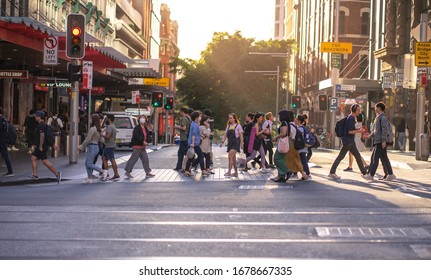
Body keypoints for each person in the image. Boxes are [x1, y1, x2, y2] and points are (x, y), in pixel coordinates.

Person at [328, 104, 368, 180]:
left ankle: (364, 173)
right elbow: (349, 131)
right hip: (349, 142)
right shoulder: (351, 118)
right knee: (354, 157)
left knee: (356, 157)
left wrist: (357, 129)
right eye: (358, 110)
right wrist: (359, 131)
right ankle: (332, 172)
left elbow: (350, 129)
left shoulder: (351, 117)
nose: (359, 112)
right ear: (354, 110)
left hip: (349, 141)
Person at [363, 102, 396, 181]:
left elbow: (385, 130)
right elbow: (376, 131)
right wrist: (369, 136)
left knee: (375, 158)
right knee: (384, 158)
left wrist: (384, 141)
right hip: (378, 141)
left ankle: (371, 175)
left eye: (375, 107)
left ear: (379, 108)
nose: (374, 109)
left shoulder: (383, 118)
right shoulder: (378, 117)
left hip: (380, 141)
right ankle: (390, 174)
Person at [29, 110, 62, 183]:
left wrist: (40, 146)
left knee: (45, 161)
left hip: (42, 146)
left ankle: (57, 174)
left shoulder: (41, 125)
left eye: (36, 116)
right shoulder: (44, 124)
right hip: (42, 146)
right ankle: (35, 175)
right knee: (33, 157)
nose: (35, 117)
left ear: (39, 117)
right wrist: (53, 145)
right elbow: (48, 136)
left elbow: (42, 135)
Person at [78, 114, 108, 183]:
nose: (90, 120)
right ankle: (90, 177)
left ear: (93, 120)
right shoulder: (98, 129)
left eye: (91, 118)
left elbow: (88, 139)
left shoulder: (92, 129)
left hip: (92, 147)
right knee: (87, 163)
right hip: (96, 147)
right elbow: (101, 139)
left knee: (88, 163)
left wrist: (81, 146)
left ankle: (103, 171)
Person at [220, 113, 244, 177]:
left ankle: (229, 172)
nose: (229, 119)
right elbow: (225, 135)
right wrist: (222, 142)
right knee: (233, 158)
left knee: (230, 156)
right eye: (229, 118)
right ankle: (236, 173)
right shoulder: (228, 126)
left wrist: (242, 144)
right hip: (230, 143)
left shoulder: (238, 126)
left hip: (236, 143)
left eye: (231, 118)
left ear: (234, 118)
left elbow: (241, 136)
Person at [185, 111, 207, 177]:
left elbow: (195, 133)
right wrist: (193, 143)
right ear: (196, 117)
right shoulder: (195, 125)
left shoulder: (193, 123)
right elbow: (193, 135)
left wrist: (201, 135)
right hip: (194, 144)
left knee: (191, 157)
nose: (201, 117)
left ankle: (187, 170)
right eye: (200, 116)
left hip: (193, 143)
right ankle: (203, 170)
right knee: (201, 156)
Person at [286, 112, 307, 180]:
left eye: (296, 119)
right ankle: (298, 173)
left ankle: (306, 173)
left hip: (296, 146)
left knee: (298, 160)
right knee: (297, 160)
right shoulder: (296, 126)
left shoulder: (298, 128)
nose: (295, 119)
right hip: (297, 146)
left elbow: (292, 135)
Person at [272, 110, 291, 182]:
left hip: (283, 143)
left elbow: (283, 133)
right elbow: (290, 134)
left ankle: (286, 171)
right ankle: (281, 176)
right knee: (282, 159)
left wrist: (276, 137)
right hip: (286, 142)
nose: (278, 117)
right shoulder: (288, 123)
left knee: (276, 158)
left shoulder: (283, 123)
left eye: (279, 116)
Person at [101, 114, 120, 181]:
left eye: (106, 118)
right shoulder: (113, 126)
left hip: (109, 145)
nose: (105, 119)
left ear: (109, 119)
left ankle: (116, 174)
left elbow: (108, 136)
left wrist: (102, 135)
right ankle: (106, 174)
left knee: (112, 160)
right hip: (110, 145)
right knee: (104, 158)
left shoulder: (109, 127)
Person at [295, 115, 311, 179]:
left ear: (299, 121)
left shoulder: (300, 128)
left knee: (303, 161)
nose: (295, 119)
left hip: (301, 147)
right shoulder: (301, 128)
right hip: (302, 147)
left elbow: (299, 138)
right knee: (301, 160)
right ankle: (303, 173)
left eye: (296, 119)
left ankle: (307, 174)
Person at [0, 107, 14, 177]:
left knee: (5, 155)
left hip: (1, 140)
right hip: (3, 140)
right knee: (5, 155)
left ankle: (10, 171)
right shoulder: (4, 119)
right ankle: (10, 170)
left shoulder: (1, 119)